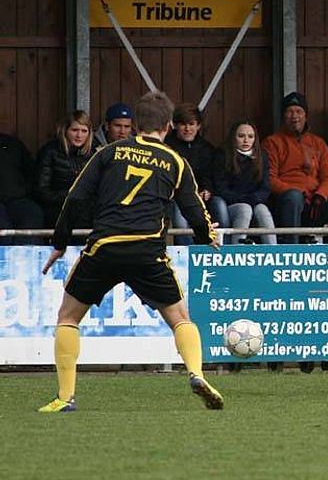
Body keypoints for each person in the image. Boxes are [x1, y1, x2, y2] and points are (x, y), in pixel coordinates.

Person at [38, 90, 223, 413]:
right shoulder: (175, 162)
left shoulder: (108, 152)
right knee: (181, 319)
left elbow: (76, 196)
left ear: (136, 124)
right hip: (147, 250)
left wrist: (60, 242)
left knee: (68, 318)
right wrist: (207, 235)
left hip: (105, 246)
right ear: (168, 126)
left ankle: (65, 397)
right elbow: (194, 209)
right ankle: (196, 373)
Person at [263, 91, 328, 245]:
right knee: (293, 197)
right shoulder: (272, 142)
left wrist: (321, 195)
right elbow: (270, 179)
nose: (294, 116)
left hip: (315, 204)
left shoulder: (317, 143)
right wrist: (297, 192)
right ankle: (292, 251)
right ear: (283, 116)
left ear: (305, 116)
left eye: (299, 111)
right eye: (289, 111)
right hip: (288, 205)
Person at [165, 103, 229, 245]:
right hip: (177, 197)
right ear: (175, 126)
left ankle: (224, 250)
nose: (187, 129)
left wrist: (207, 190)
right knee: (180, 218)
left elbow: (209, 175)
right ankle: (190, 251)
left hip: (202, 196)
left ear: (198, 126)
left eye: (191, 124)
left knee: (220, 206)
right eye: (183, 124)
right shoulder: (167, 147)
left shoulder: (207, 148)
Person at [213, 121, 277, 245]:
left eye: (250, 136)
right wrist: (243, 200)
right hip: (230, 205)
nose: (246, 140)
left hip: (255, 202)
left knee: (263, 210)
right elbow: (220, 187)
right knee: (244, 208)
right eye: (241, 136)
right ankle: (238, 250)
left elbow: (265, 188)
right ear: (234, 137)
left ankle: (273, 251)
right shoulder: (223, 155)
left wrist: (253, 199)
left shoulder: (262, 156)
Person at [36, 110, 98, 230]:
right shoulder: (50, 152)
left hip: (87, 209)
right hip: (57, 207)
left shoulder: (95, 153)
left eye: (84, 131)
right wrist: (69, 196)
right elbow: (42, 190)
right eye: (74, 130)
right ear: (65, 130)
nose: (79, 135)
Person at [0, 131, 43, 243]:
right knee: (3, 228)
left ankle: (23, 252)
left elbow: (31, 171)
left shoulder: (11, 143)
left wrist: (24, 191)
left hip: (16, 199)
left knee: (33, 212)